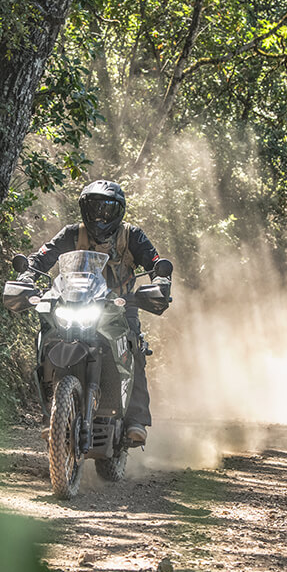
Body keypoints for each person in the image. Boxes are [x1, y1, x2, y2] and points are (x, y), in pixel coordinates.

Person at [18, 179, 168, 444]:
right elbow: (41, 258)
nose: (100, 216)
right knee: (46, 336)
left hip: (120, 307)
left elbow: (155, 263)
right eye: (94, 208)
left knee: (134, 349)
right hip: (75, 303)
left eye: (107, 210)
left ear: (119, 211)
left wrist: (160, 282)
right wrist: (28, 275)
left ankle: (136, 419)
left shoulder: (132, 236)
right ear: (83, 209)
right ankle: (51, 413)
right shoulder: (71, 234)